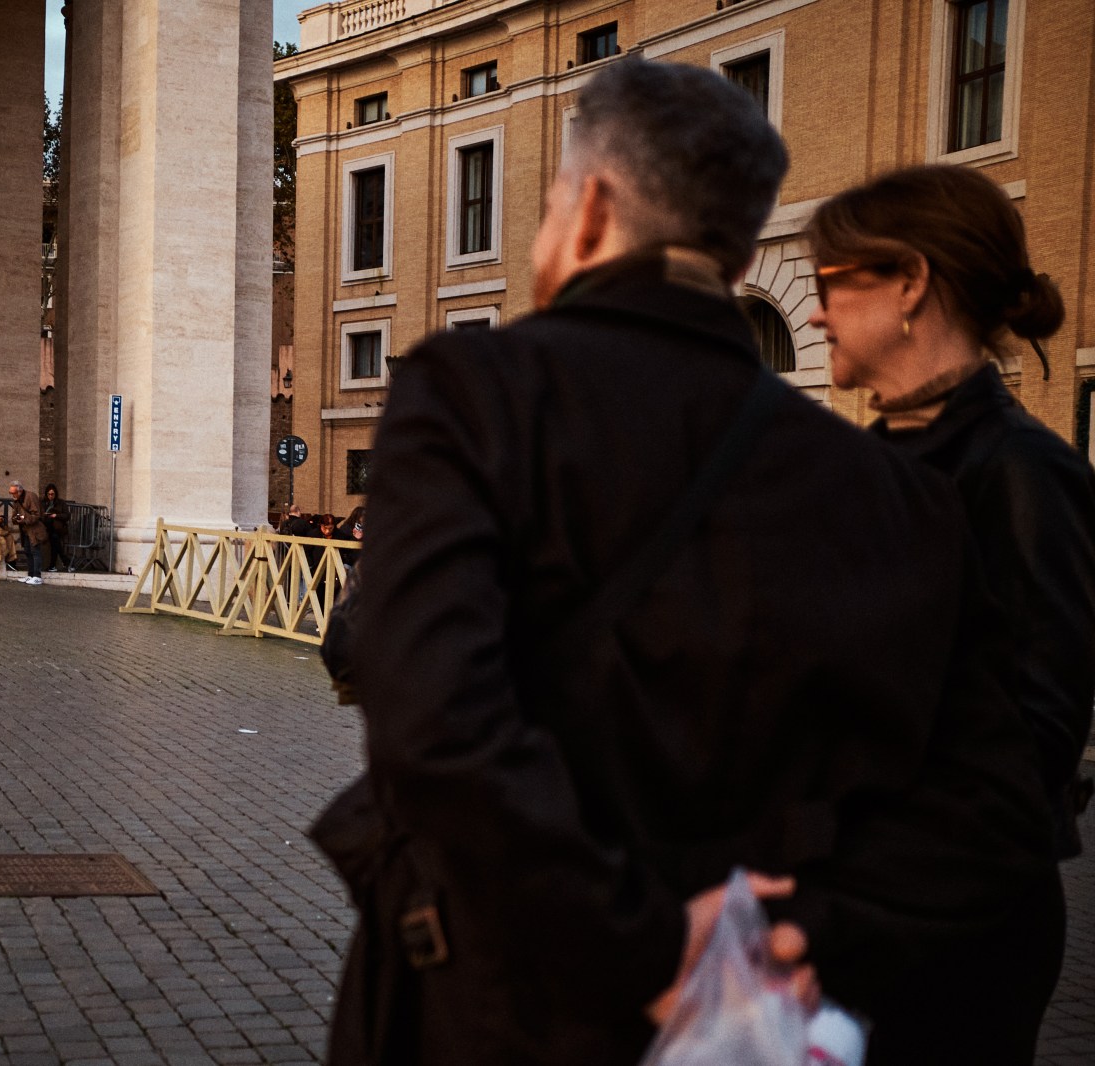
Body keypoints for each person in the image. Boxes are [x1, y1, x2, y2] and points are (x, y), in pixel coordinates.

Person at [314, 57, 1053, 1065]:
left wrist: (650, 943)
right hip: (745, 1021)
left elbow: (437, 725)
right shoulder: (895, 490)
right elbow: (995, 807)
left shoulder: (473, 394)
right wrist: (799, 929)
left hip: (491, 1004)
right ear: (740, 257)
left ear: (589, 212)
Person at [806, 164, 1094, 1061]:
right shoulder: (861, 466)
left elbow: (1033, 740)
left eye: (828, 284)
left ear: (909, 284)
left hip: (945, 944)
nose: (813, 313)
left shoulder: (1020, 472)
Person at [6, 479, 46, 584]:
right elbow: (14, 517)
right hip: (25, 530)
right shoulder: (17, 500)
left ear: (19, 491)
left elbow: (37, 515)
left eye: (13, 493)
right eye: (10, 493)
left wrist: (24, 518)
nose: (12, 495)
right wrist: (17, 519)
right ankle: (30, 575)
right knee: (28, 551)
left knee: (35, 551)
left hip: (34, 529)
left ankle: (37, 576)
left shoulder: (31, 496)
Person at [41, 482, 70, 571]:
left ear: (55, 494)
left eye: (52, 494)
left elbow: (67, 515)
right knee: (55, 542)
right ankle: (63, 560)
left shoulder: (61, 503)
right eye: (49, 494)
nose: (50, 496)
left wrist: (56, 515)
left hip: (57, 528)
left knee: (55, 540)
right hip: (47, 527)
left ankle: (53, 565)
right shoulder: (43, 503)